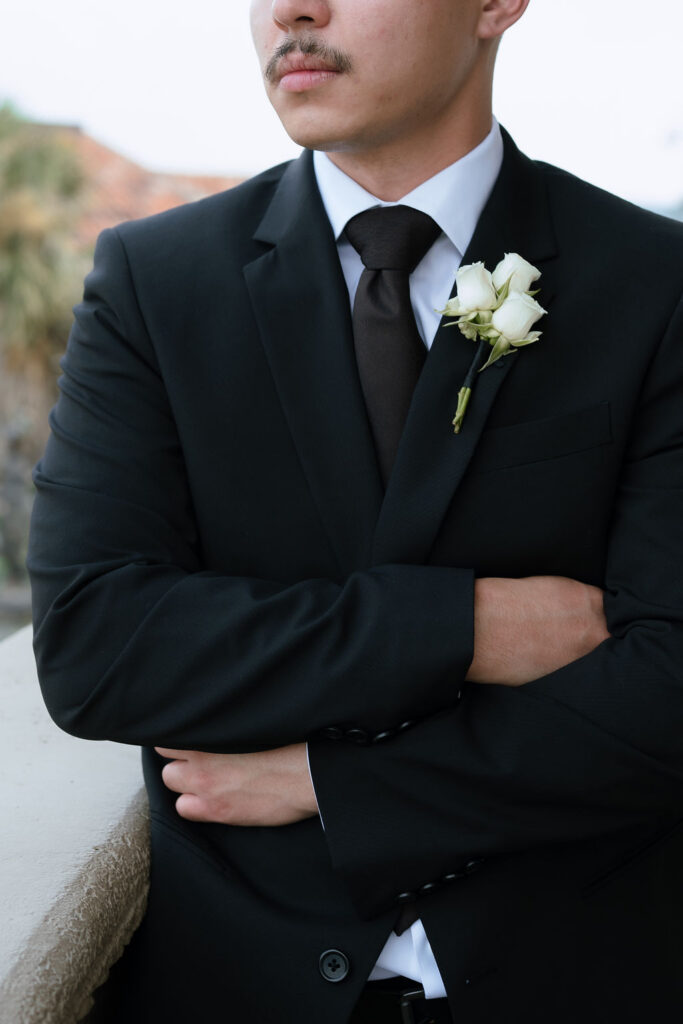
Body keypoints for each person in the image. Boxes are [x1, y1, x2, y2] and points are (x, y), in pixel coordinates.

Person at [28, 1, 683, 1021]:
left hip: (580, 980)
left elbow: (670, 684)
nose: (291, 9)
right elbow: (97, 645)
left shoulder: (655, 283)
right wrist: (461, 626)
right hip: (239, 993)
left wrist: (336, 788)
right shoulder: (155, 284)